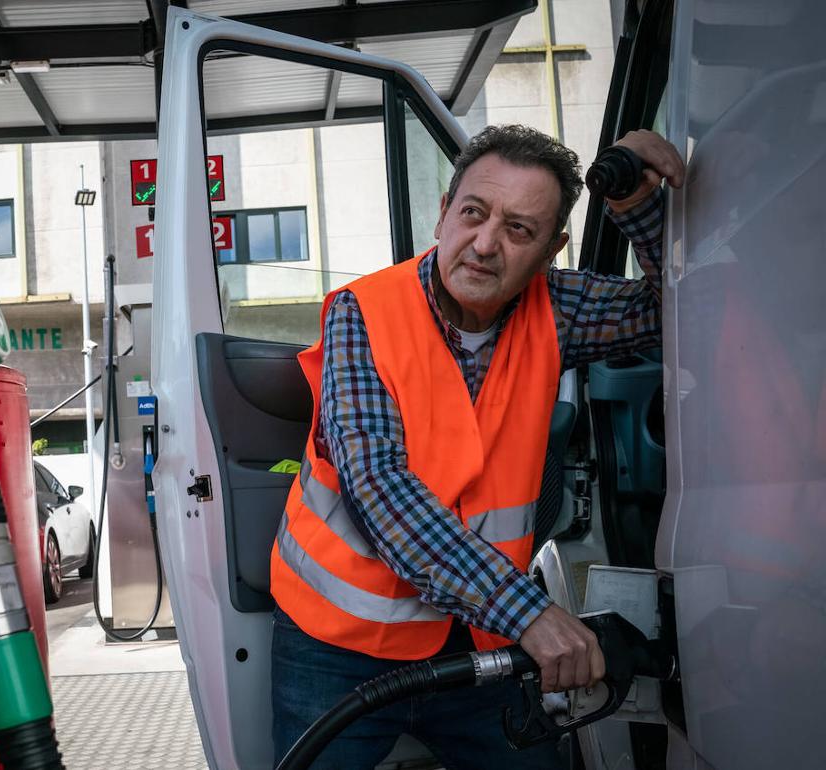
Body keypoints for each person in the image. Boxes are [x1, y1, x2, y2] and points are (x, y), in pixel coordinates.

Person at [269, 124, 684, 769]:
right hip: (336, 643)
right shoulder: (364, 312)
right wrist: (534, 617)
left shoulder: (558, 308)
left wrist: (637, 206)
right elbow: (380, 488)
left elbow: (685, 308)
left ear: (552, 250)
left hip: (476, 643)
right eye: (473, 212)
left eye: (520, 229)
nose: (486, 244)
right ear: (443, 215)